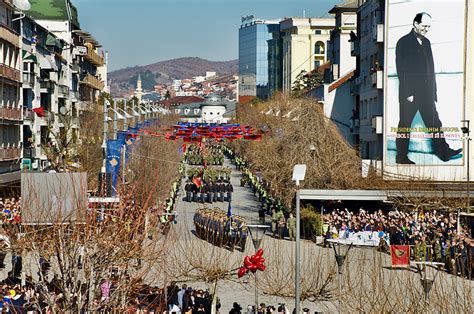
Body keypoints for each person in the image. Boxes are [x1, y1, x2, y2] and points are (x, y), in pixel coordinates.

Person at [394, 12, 461, 164]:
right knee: (404, 126)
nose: (426, 29)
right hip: (410, 95)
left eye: (428, 27)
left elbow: (431, 68)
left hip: (426, 94)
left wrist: (434, 92)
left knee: (435, 124)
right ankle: (401, 157)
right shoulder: (403, 42)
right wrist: (408, 92)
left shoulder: (427, 42)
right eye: (424, 26)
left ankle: (444, 153)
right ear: (415, 24)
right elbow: (401, 69)